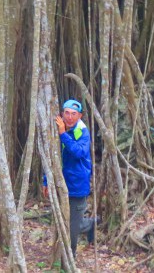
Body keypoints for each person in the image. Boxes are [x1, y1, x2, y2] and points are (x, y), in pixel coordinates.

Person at [42, 99, 95, 258]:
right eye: (67, 113)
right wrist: (46, 180)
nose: (70, 117)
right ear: (62, 113)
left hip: (78, 186)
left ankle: (69, 258)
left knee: (73, 228)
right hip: (60, 183)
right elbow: (51, 157)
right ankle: (61, 253)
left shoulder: (82, 131)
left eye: (74, 114)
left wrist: (64, 134)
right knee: (61, 221)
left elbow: (79, 152)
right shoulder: (56, 129)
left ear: (80, 115)